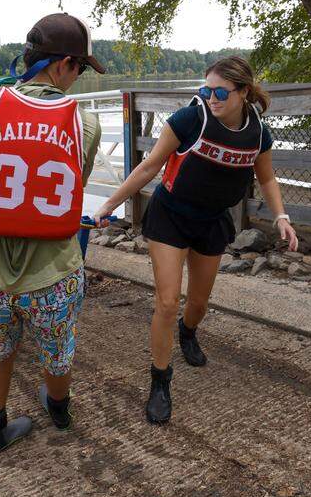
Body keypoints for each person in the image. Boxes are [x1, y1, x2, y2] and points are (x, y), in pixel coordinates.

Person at [93, 56, 298, 424]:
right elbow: (149, 165)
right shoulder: (190, 118)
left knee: (198, 304)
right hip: (171, 216)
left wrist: (281, 216)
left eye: (220, 91)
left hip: (211, 222)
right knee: (167, 302)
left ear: (243, 92)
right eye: (206, 90)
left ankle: (189, 333)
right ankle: (160, 379)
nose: (211, 98)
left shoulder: (258, 133)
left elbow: (266, 179)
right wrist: (108, 205)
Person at [0, 13, 104, 458]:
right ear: (62, 66)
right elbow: (74, 185)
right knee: (57, 355)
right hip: (53, 275)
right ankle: (58, 410)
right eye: (78, 68)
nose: (76, 79)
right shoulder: (85, 124)